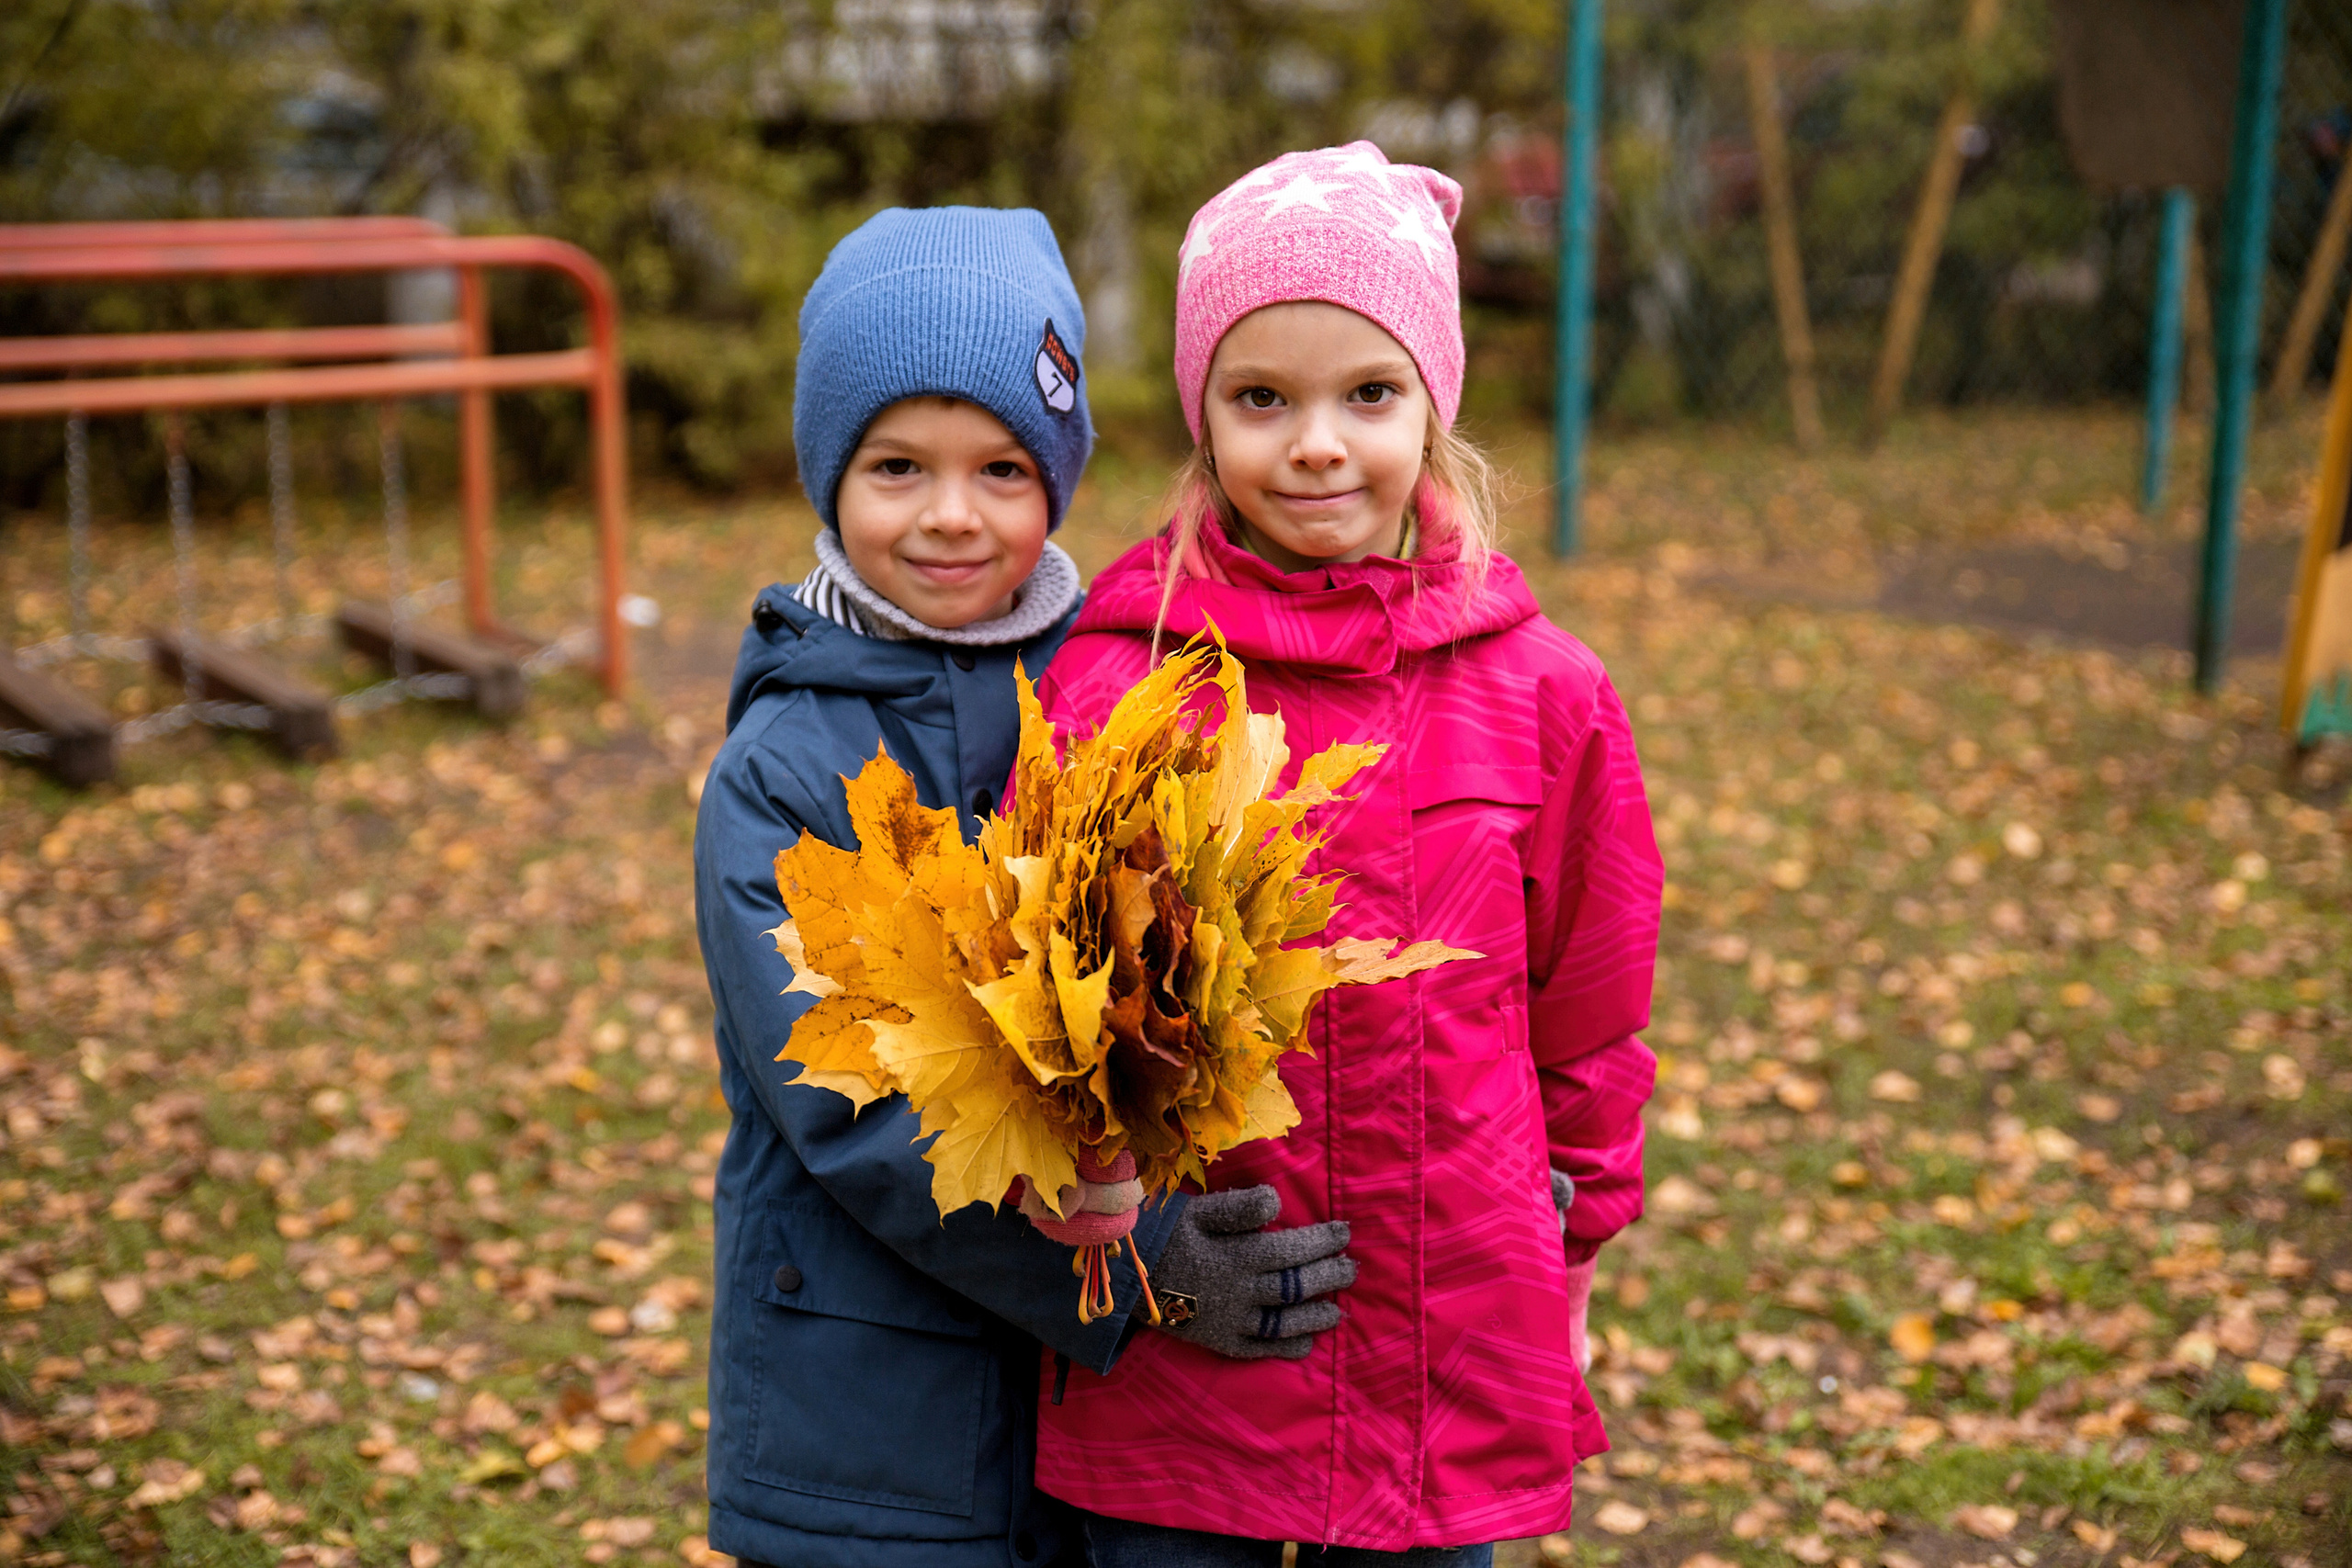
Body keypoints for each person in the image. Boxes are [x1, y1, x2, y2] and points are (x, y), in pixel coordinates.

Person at [693, 205, 1355, 1568]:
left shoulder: (1100, 697)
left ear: (1056, 478)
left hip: (1071, 1435)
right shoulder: (782, 769)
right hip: (861, 1426)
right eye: (895, 468)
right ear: (829, 478)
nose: (950, 515)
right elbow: (859, 1105)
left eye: (1001, 466)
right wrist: (1136, 1262)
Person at [1029, 143, 1663, 1567]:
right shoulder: (1117, 688)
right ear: (1205, 419)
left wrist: (1578, 1215)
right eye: (1264, 398)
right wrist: (1121, 1237)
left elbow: (1595, 993)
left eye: (1365, 394)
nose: (1316, 442)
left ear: (1430, 403)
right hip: (1198, 1350)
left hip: (1448, 1338)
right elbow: (1042, 1000)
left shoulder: (1543, 691)